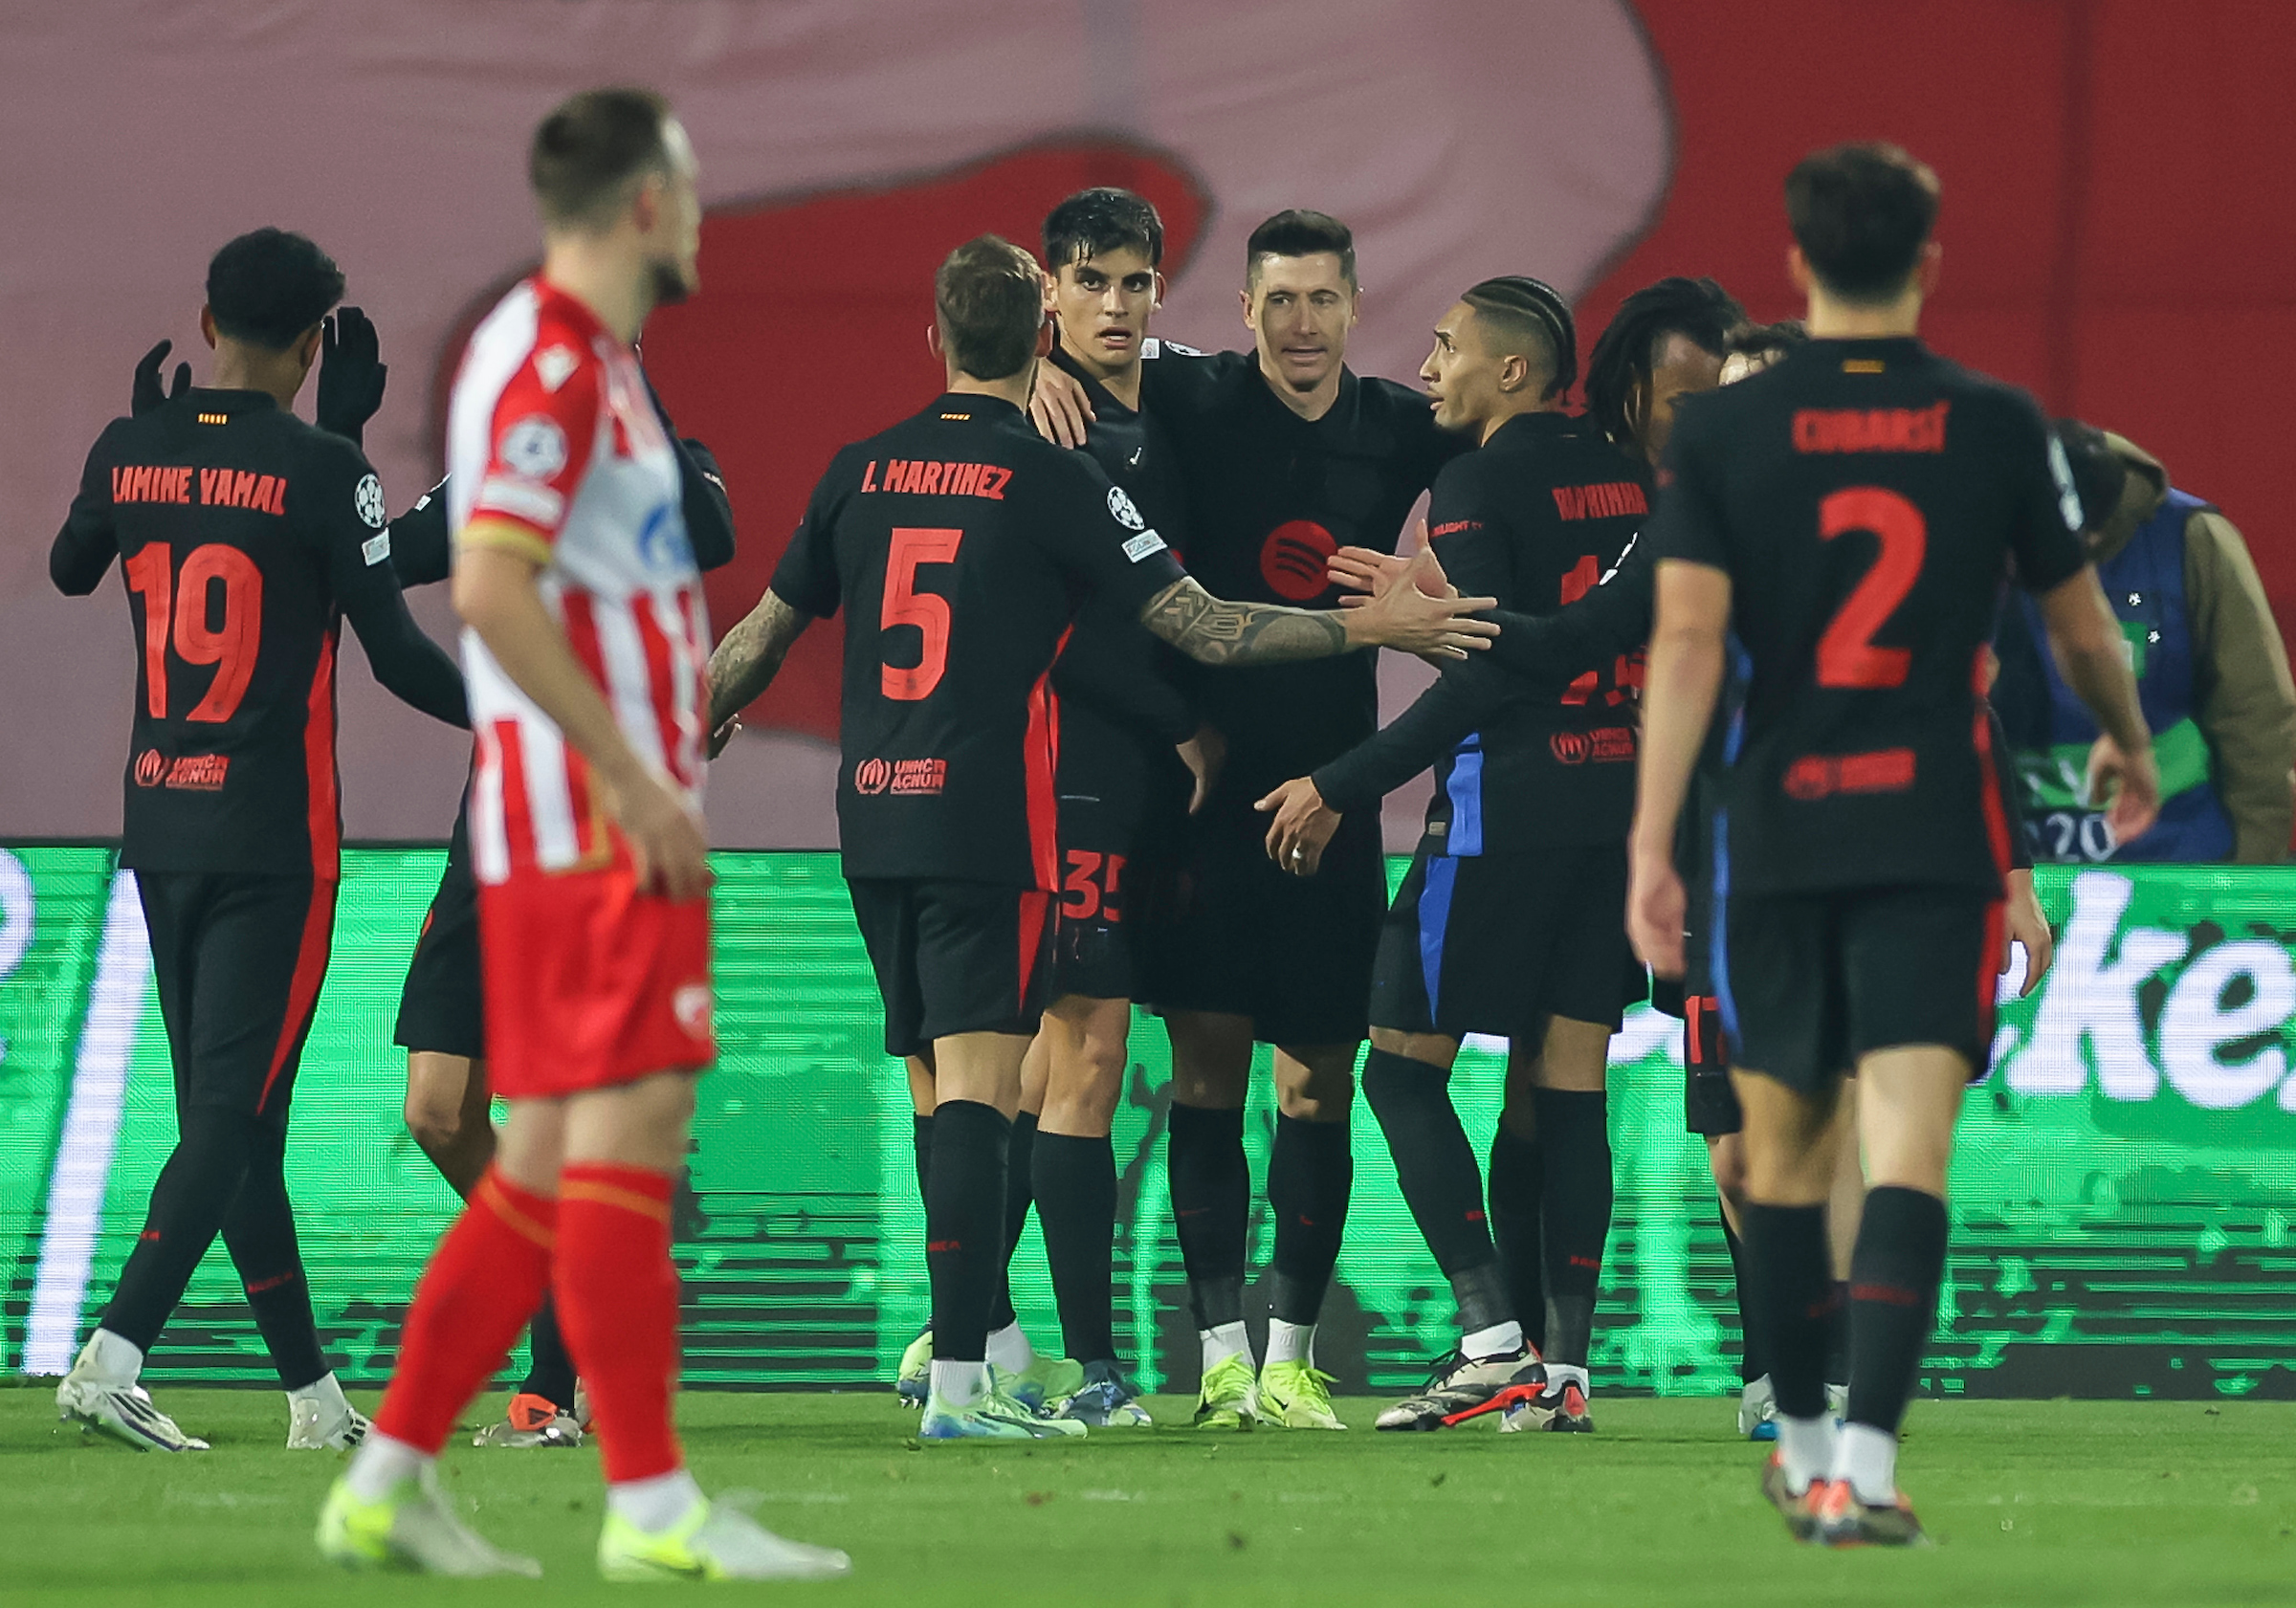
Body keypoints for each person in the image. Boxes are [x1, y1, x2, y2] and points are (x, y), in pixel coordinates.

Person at [705, 233, 1497, 1443]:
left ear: (933, 334)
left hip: (869, 817)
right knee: (1008, 1089)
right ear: (1038, 332)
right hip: (998, 813)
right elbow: (1210, 625)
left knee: (950, 1091)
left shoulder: (859, 468)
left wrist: (681, 723)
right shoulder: (1052, 476)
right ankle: (984, 1373)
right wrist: (1366, 631)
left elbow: (761, 632)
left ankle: (991, 1346)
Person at [318, 88, 850, 1581]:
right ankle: (650, 1501)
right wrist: (630, 773)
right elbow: (487, 585)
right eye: (684, 188)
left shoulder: (592, 367)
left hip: (583, 816)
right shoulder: (547, 358)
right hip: (586, 826)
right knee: (612, 1140)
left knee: (558, 1153)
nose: (699, 215)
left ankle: (400, 1482)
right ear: (637, 205)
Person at [1629, 142, 2156, 1547]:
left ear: (1799, 263)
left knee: (1786, 1155)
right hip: (1932, 833)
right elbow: (2079, 624)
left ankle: (1800, 1446)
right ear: (1927, 262)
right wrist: (2130, 740)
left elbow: (1685, 642)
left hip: (1777, 834)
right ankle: (1865, 1460)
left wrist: (1650, 846)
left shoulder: (1721, 438)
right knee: (1911, 1151)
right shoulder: (1993, 421)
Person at [1031, 210, 1471, 1431]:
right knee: (1208, 1080)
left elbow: (1514, 425)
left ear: (1354, 302)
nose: (1301, 326)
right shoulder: (1198, 393)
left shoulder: (1400, 424)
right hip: (1212, 801)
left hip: (1339, 797)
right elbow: (1076, 339)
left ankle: (1291, 1359)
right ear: (1241, 312)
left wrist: (1435, 586)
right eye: (1277, 302)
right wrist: (1028, 367)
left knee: (1319, 1086)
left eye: (1323, 301)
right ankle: (1221, 1359)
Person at [50, 231, 468, 1455]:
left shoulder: (131, 449)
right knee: (230, 1117)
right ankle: (114, 1353)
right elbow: (393, 654)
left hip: (158, 824)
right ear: (313, 343)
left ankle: (315, 1404)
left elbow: (77, 567)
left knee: (245, 1125)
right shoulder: (325, 467)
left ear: (205, 314)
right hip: (275, 841)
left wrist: (143, 444)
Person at [1256, 275, 1640, 1435]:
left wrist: (1340, 780)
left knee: (1398, 1064)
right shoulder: (1629, 472)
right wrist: (1430, 599)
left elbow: (1485, 668)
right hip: (1615, 802)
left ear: (1511, 371)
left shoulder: (1475, 479)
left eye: (1444, 347)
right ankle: (1564, 1372)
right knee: (1570, 1089)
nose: (1427, 367)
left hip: (1504, 814)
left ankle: (1486, 1341)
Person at [381, 370, 740, 1451]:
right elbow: (384, 562)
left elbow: (713, 531)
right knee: (439, 1108)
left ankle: (550, 1388)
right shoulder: (506, 456)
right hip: (496, 815)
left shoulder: (666, 461)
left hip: (605, 821)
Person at [1994, 420, 2295, 865]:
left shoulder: (2195, 538)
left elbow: (2256, 720)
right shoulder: (1974, 544)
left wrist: (2247, 878)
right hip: (2017, 875)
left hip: (2185, 868)